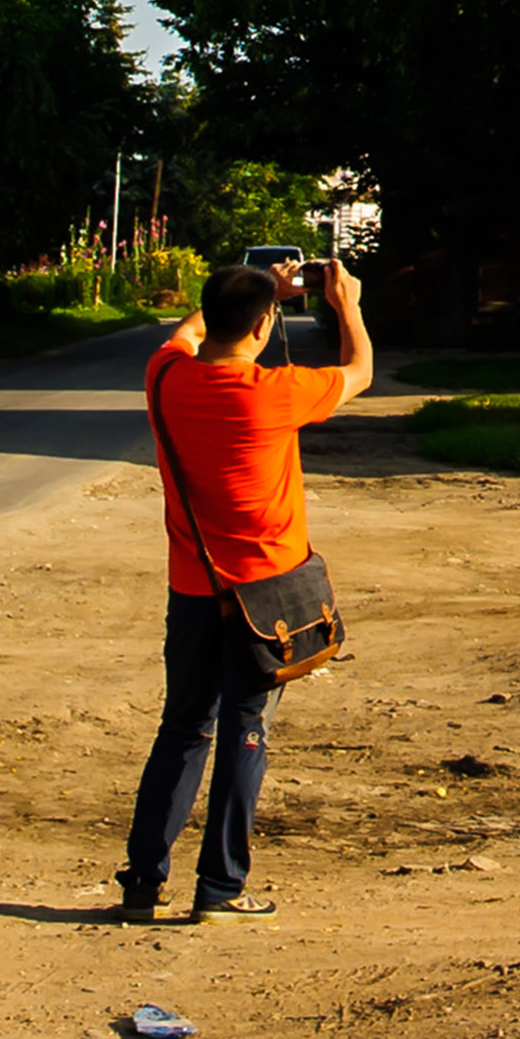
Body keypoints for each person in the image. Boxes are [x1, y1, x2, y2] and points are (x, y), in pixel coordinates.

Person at [119, 249, 371, 922]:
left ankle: (143, 880)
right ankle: (220, 886)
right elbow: (361, 370)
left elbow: (187, 333)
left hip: (192, 588)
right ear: (264, 326)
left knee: (182, 726)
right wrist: (344, 303)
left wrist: (261, 293)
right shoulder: (274, 393)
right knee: (246, 729)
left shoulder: (165, 377)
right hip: (264, 599)